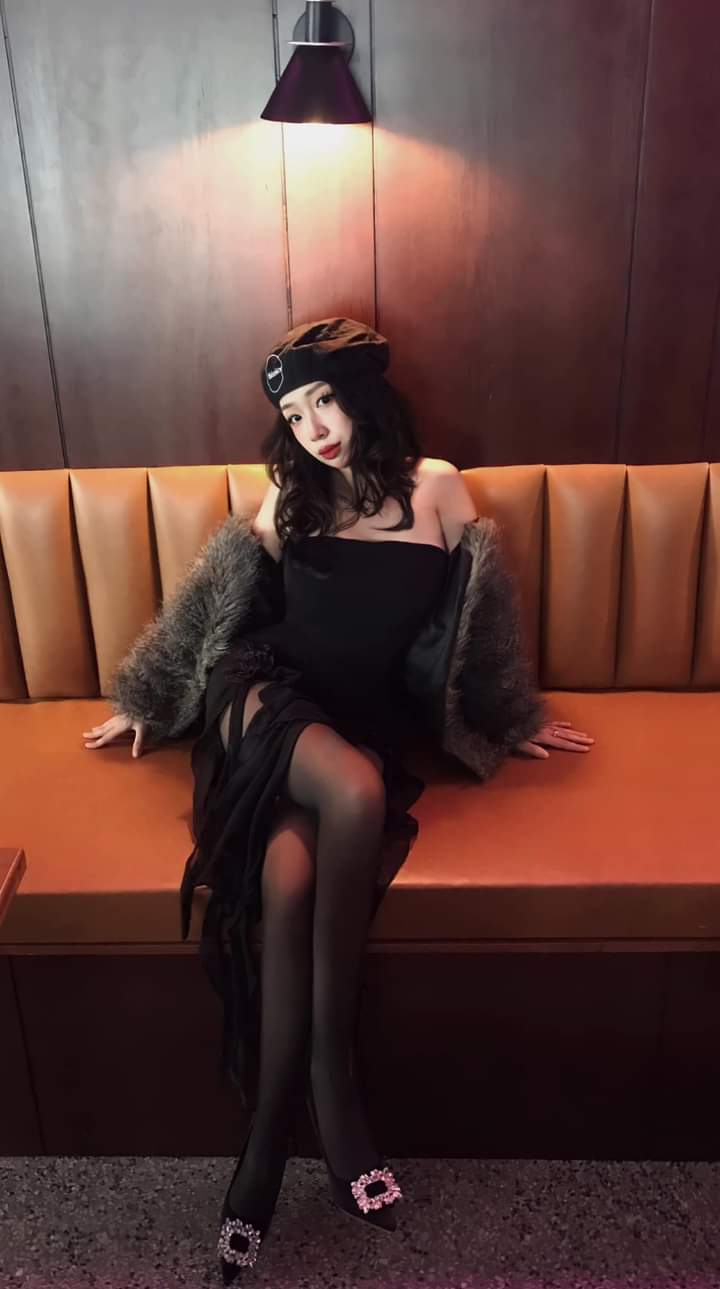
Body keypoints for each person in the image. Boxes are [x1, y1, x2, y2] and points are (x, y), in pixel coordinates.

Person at [82, 317, 594, 1279]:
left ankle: (265, 1149)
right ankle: (330, 1091)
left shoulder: (436, 485)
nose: (313, 427)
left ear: (363, 393)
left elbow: (479, 617)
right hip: (265, 691)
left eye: (324, 400)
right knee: (354, 790)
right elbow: (217, 598)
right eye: (293, 412)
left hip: (359, 718)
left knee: (290, 876)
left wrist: (509, 714)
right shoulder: (289, 492)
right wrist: (148, 697)